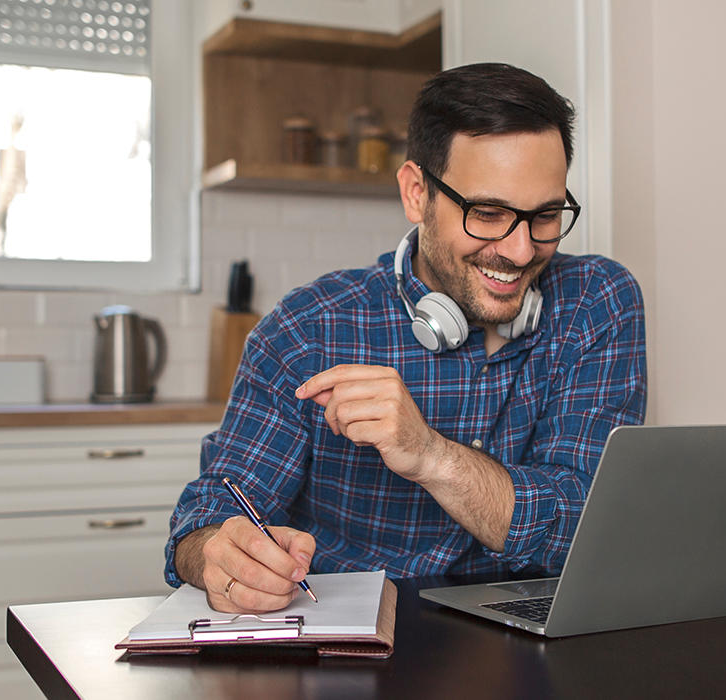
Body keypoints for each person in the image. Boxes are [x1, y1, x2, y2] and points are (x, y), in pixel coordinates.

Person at [166, 62, 647, 614]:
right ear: (417, 193)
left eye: (544, 216)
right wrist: (217, 555)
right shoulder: (309, 329)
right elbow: (204, 517)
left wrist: (430, 455)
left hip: (529, 649)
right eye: (487, 214)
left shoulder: (597, 302)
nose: (519, 251)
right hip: (355, 650)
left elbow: (586, 532)